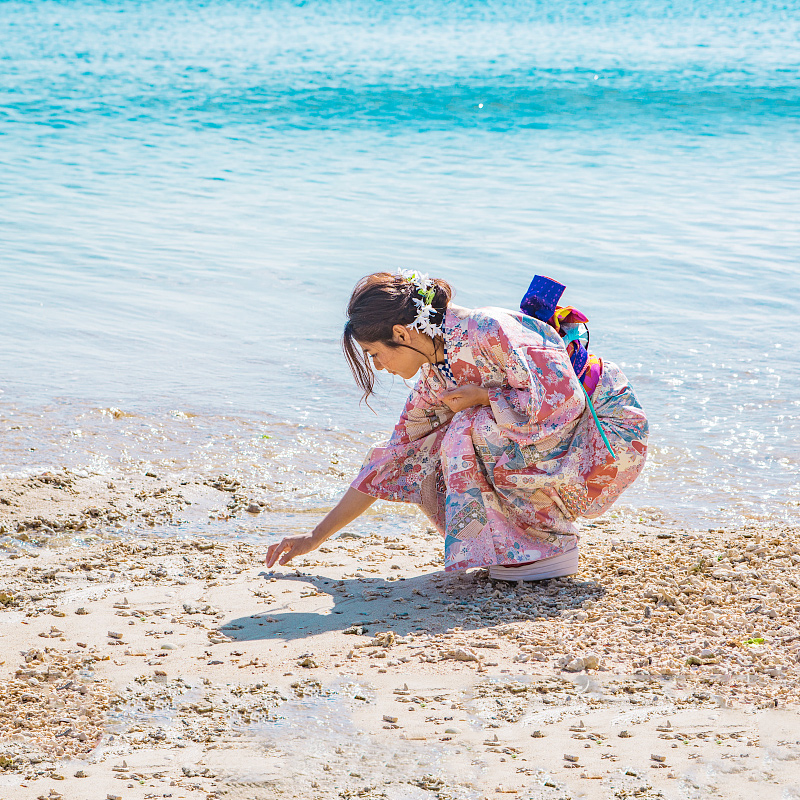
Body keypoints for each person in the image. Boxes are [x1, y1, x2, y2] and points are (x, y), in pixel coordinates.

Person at [265, 270, 648, 580]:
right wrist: (315, 537)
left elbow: (564, 402)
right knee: (424, 448)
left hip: (606, 432)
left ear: (401, 334)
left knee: (468, 427)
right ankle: (515, 549)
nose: (378, 366)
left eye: (375, 354)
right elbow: (393, 457)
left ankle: (546, 547)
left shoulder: (488, 329)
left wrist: (484, 398)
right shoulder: (437, 374)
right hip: (567, 438)